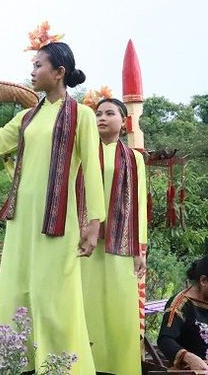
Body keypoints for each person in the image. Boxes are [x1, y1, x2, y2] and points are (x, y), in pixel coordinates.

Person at [0, 24, 105, 374]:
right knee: (15, 293)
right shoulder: (26, 117)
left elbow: (92, 170)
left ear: (59, 72)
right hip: (23, 218)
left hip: (58, 220)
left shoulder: (82, 115)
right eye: (33, 65)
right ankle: (14, 363)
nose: (33, 71)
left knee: (52, 298)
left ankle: (60, 367)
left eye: (39, 65)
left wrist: (94, 222)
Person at [80, 97, 148, 375]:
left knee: (120, 308)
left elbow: (138, 204)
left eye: (110, 113)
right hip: (85, 244)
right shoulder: (81, 153)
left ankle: (121, 368)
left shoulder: (134, 158)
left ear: (124, 121)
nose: (102, 118)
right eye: (98, 114)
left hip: (121, 243)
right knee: (85, 304)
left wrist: (139, 248)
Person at [158, 254, 208, 371]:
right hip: (193, 370)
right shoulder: (180, 304)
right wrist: (187, 357)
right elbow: (165, 340)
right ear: (203, 280)